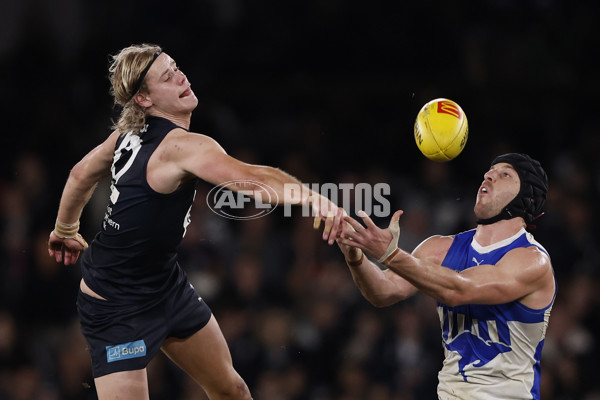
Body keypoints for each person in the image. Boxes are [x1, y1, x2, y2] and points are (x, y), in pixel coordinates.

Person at [47, 43, 343, 400]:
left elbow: (81, 173)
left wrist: (65, 230)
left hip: (165, 287)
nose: (180, 76)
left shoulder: (127, 136)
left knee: (232, 390)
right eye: (167, 77)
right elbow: (250, 179)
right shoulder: (182, 147)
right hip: (116, 306)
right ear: (143, 99)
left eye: (176, 67)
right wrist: (312, 198)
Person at [337, 153, 555, 400]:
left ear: (528, 198)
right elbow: (384, 291)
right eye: (490, 171)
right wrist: (355, 256)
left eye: (505, 174)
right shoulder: (439, 247)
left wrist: (391, 255)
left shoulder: (532, 260)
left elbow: (458, 290)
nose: (489, 175)